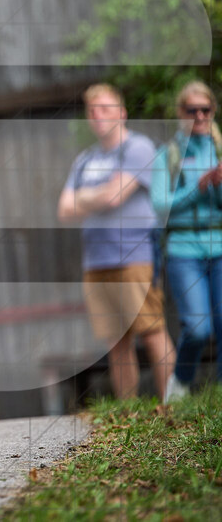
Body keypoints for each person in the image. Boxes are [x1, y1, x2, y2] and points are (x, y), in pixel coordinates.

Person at [57, 84, 175, 400]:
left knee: (151, 330)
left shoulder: (138, 148)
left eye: (106, 109)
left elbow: (114, 196)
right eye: (93, 112)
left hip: (134, 256)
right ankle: (129, 412)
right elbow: (63, 209)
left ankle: (171, 407)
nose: (99, 116)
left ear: (122, 113)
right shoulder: (85, 159)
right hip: (96, 261)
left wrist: (84, 197)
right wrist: (95, 196)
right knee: (116, 341)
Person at [151, 80, 222, 401]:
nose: (199, 115)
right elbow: (161, 205)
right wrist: (200, 188)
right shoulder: (168, 154)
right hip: (183, 250)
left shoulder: (219, 149)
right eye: (191, 110)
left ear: (213, 110)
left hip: (219, 246)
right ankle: (179, 387)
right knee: (197, 328)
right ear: (181, 112)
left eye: (204, 109)